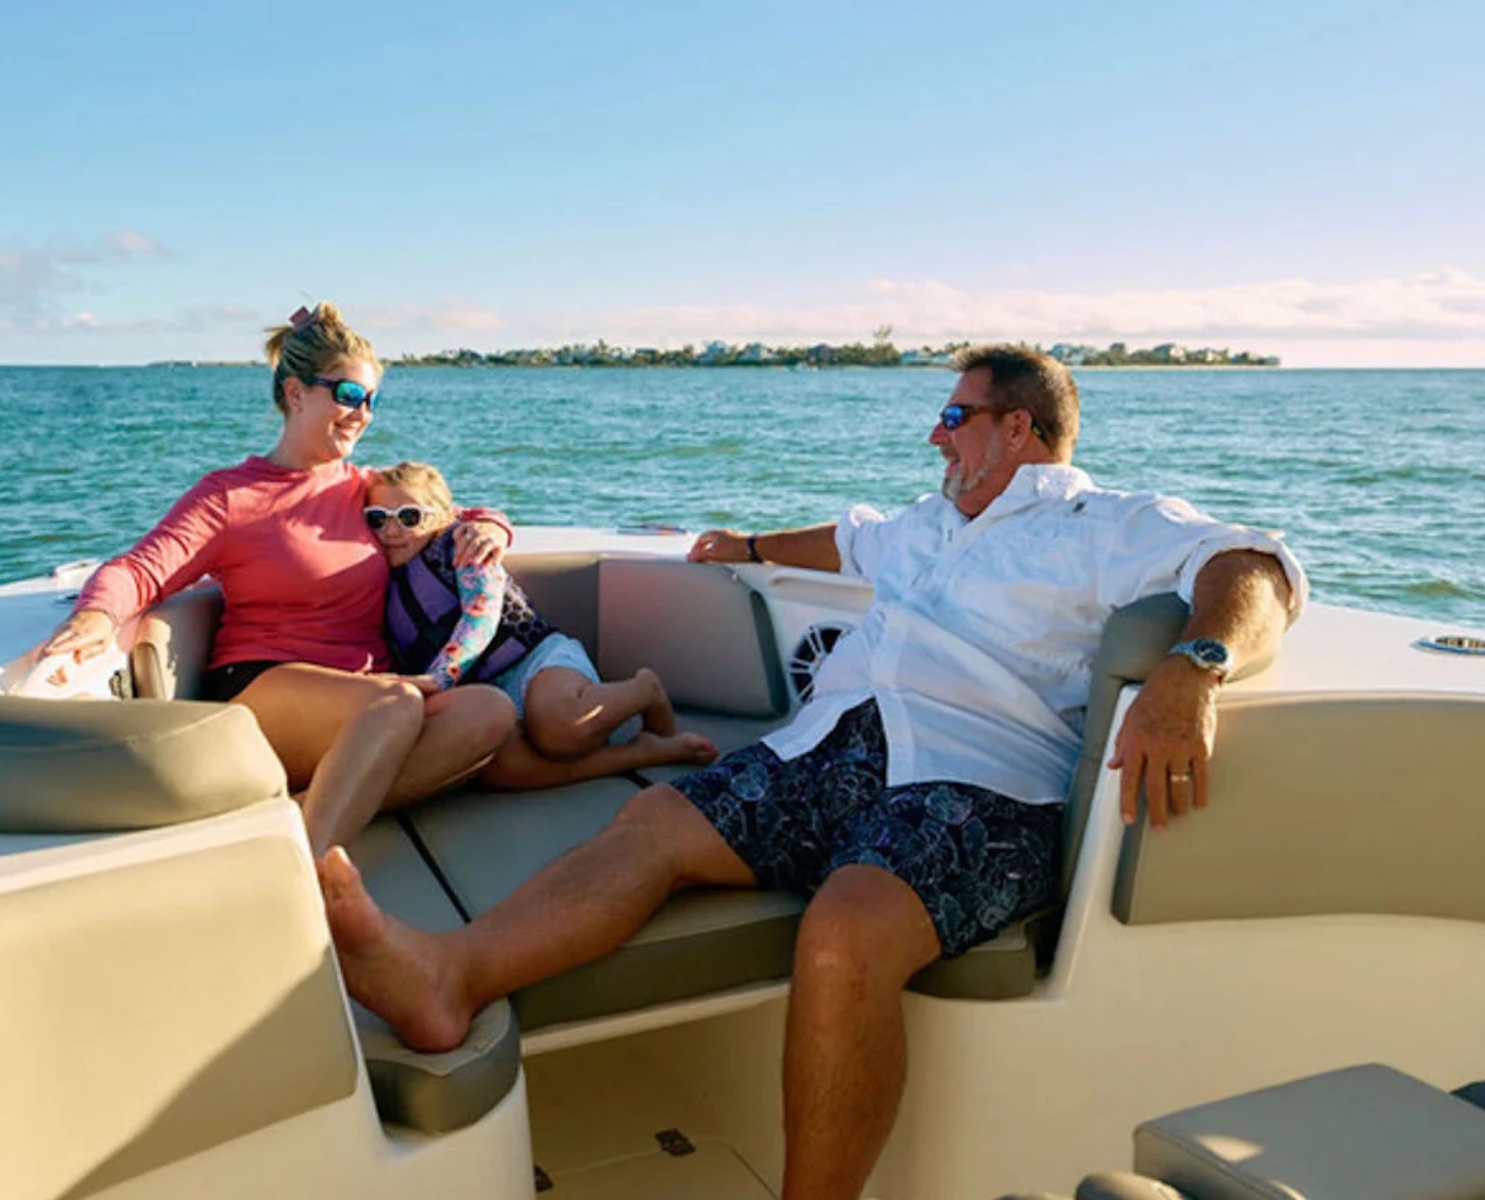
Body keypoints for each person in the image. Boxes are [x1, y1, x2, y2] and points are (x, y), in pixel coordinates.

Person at [316, 344, 1306, 1200]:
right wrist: (746, 546)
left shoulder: (1098, 523)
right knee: (653, 825)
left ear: (1019, 428)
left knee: (843, 933)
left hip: (979, 780)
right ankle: (448, 977)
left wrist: (1195, 666)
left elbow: (1251, 566)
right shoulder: (929, 523)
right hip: (825, 750)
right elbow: (844, 540)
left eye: (954, 415)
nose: (934, 434)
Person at [38, 304, 520, 856]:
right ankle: (301, 864)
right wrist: (96, 614)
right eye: (348, 395)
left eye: (371, 400)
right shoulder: (230, 496)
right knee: (396, 704)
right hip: (265, 683)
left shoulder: (365, 490)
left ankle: (290, 818)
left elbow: (452, 514)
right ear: (296, 393)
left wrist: (493, 528)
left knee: (489, 712)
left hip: (370, 696)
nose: (362, 414)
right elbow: (141, 567)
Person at [366, 460, 717, 787]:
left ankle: (645, 689)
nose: (392, 530)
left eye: (409, 517)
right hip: (482, 696)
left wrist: (440, 678)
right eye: (378, 519)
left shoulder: (463, 545)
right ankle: (642, 753)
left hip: (536, 661)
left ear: (441, 515)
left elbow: (481, 614)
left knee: (561, 729)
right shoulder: (377, 576)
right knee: (496, 768)